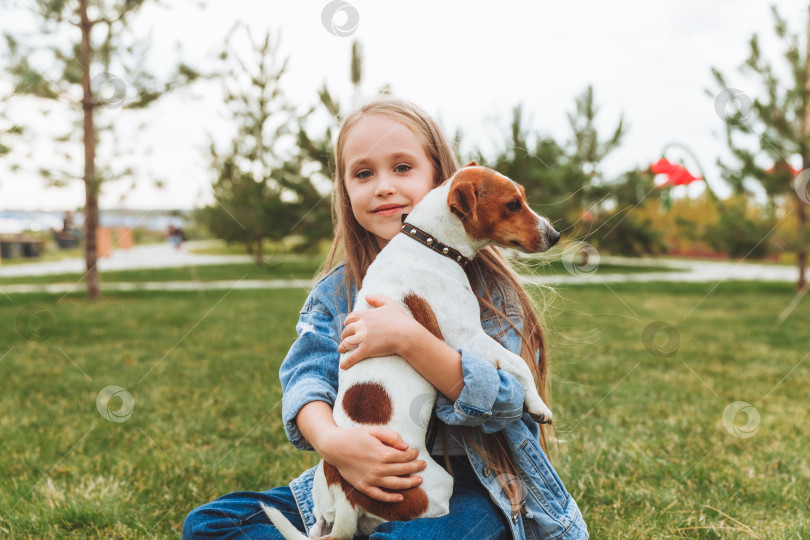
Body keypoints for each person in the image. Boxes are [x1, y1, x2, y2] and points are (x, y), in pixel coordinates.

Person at [182, 97, 589, 539]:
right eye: (363, 173)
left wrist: (409, 340)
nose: (383, 187)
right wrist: (335, 445)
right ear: (344, 190)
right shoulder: (336, 294)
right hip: (354, 485)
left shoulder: (487, 292)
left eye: (401, 168)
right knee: (208, 524)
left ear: (443, 180)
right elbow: (306, 380)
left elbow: (507, 401)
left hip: (474, 490)